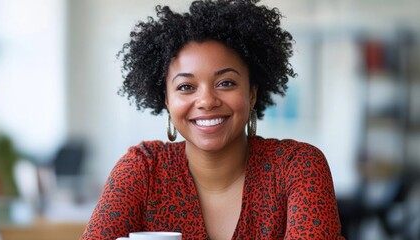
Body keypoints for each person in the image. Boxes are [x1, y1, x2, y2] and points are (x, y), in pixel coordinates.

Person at [81, 0, 344, 239]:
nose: (206, 101)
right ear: (166, 100)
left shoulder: (297, 167)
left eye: (226, 83)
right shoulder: (143, 170)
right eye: (186, 87)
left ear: (252, 94)